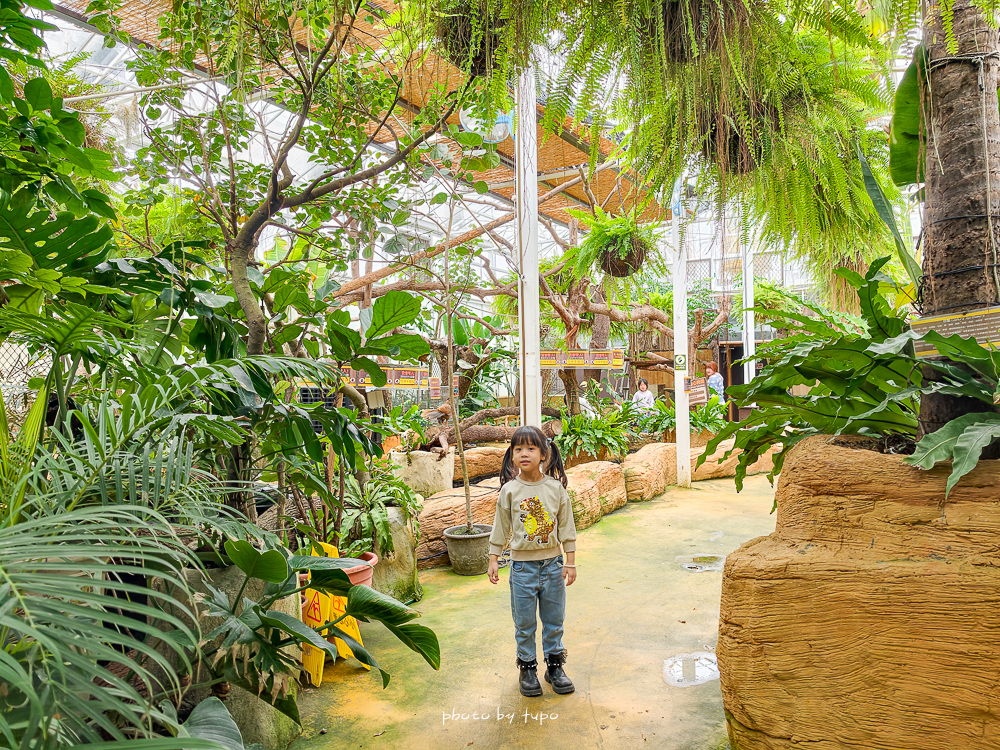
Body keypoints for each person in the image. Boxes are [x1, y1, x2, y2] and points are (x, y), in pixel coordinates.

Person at [487, 426, 577, 697]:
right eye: (518, 449)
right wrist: (493, 558)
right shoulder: (510, 491)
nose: (524, 454)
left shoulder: (555, 489)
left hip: (553, 566)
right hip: (521, 569)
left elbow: (567, 527)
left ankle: (554, 667)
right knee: (524, 623)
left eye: (530, 448)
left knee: (554, 621)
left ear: (543, 454)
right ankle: (527, 669)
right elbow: (500, 528)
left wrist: (570, 562)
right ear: (512, 455)